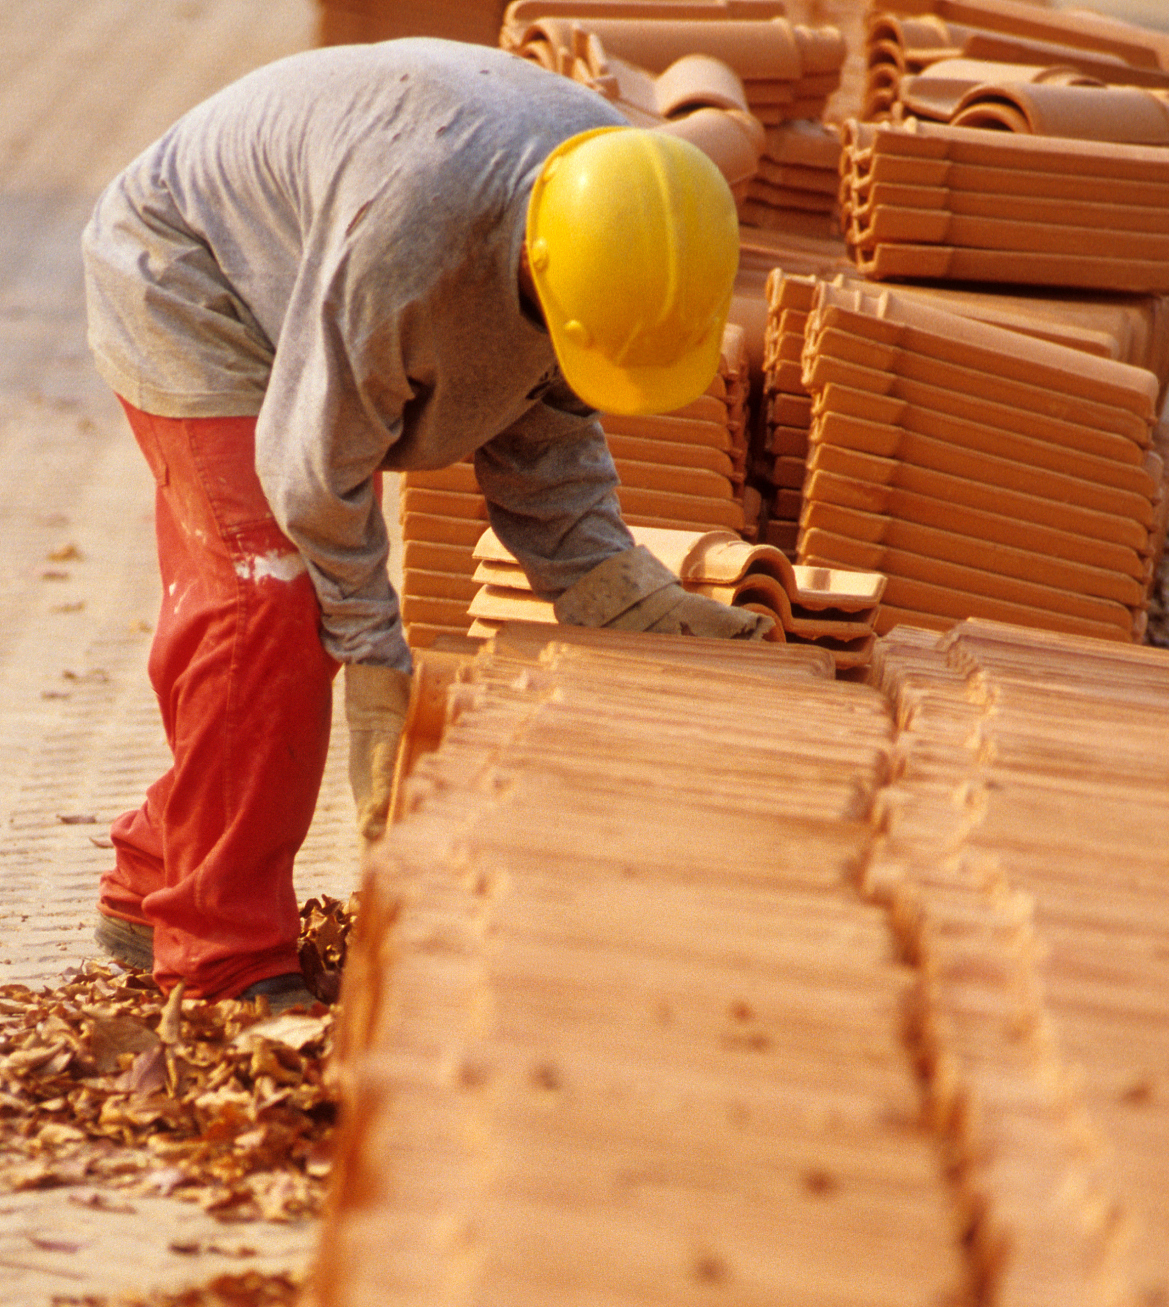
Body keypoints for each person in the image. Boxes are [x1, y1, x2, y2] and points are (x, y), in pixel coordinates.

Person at [82, 39, 764, 1013]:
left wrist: (609, 585)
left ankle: (161, 866)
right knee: (271, 596)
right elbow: (313, 476)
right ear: (533, 258)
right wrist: (374, 666)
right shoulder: (410, 238)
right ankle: (224, 960)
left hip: (326, 250)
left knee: (285, 618)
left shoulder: (634, 204)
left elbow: (543, 410)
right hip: (193, 274)